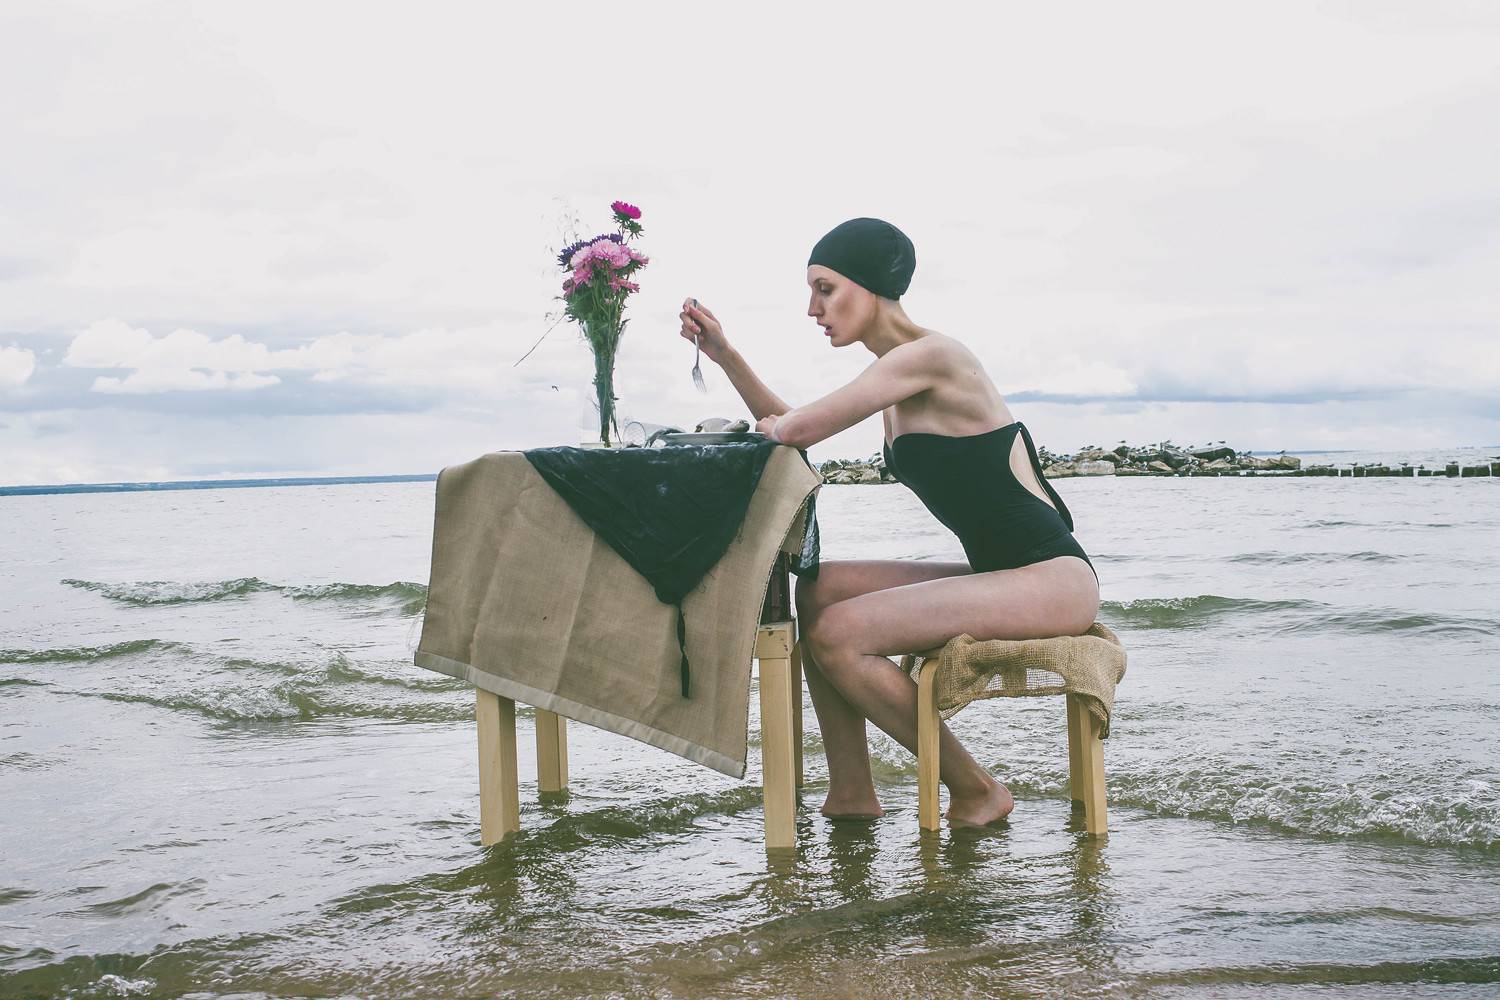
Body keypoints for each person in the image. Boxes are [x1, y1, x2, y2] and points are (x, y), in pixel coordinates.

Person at [678, 217, 1100, 828]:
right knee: (817, 588)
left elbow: (796, 429)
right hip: (1001, 572)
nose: (813, 309)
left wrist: (783, 428)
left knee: (838, 634)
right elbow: (795, 426)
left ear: (871, 286)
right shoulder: (896, 378)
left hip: (1053, 578)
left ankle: (978, 789)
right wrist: (725, 356)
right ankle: (852, 790)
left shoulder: (934, 356)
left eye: (825, 289)